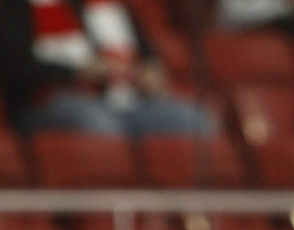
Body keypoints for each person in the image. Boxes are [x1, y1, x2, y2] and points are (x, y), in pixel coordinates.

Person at [0, 0, 213, 137]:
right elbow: (15, 68)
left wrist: (151, 75)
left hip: (126, 101)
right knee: (99, 124)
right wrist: (76, 73)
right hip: (48, 101)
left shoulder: (102, 6)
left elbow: (149, 57)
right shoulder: (18, 7)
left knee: (193, 118)